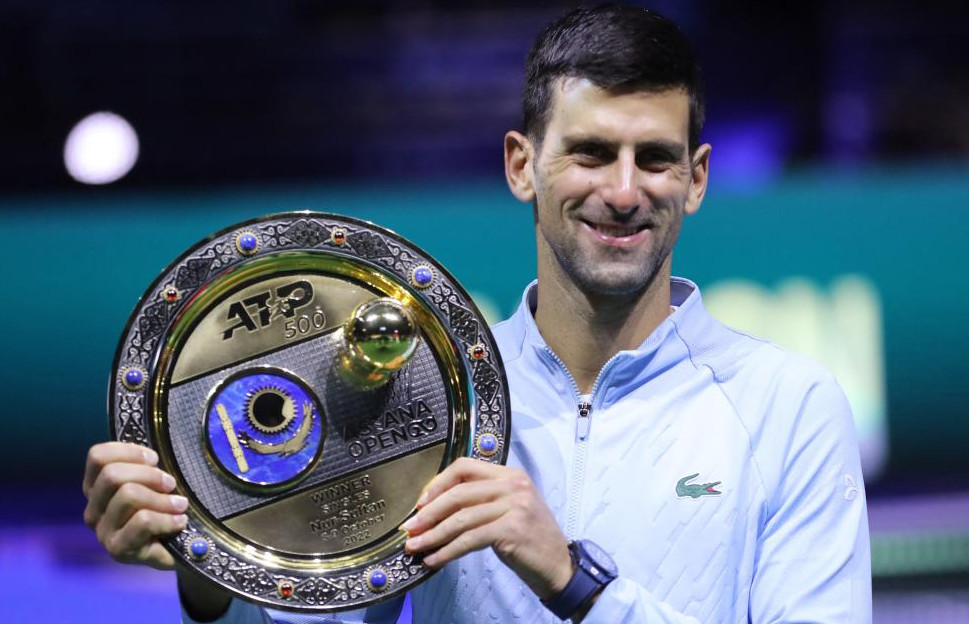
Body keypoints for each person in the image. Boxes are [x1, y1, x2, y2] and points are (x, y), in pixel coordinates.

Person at [82, 4, 871, 623]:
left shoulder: (786, 405)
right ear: (522, 165)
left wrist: (571, 580)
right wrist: (202, 565)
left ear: (697, 179)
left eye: (656, 158)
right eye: (591, 152)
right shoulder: (427, 398)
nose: (625, 191)